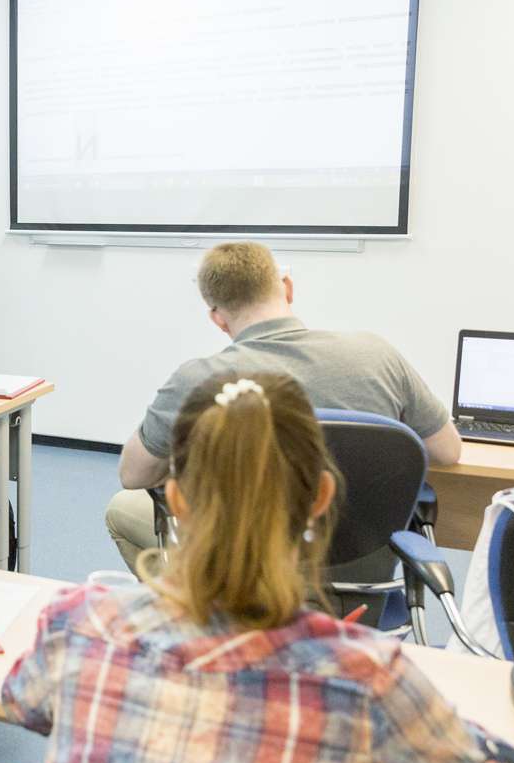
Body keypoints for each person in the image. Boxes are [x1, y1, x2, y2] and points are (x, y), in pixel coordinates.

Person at [3, 371, 514, 763]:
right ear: (322, 497)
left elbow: (24, 702)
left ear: (176, 499)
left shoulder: (80, 622)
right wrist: (451, 716)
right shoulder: (359, 676)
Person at [106, 241, 460, 571]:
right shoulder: (377, 355)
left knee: (123, 509)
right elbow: (448, 450)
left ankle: (196, 611)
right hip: (364, 566)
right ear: (287, 288)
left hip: (249, 572)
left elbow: (133, 475)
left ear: (218, 318)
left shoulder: (197, 380)